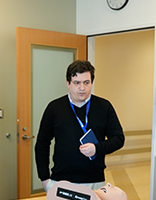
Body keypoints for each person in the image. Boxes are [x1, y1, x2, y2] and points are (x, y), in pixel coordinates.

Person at [35, 60, 125, 192]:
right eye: (77, 83)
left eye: (86, 82)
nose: (82, 88)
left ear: (91, 83)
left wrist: (97, 148)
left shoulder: (104, 107)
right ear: (68, 83)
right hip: (61, 181)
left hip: (94, 181)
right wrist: (44, 179)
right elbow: (42, 144)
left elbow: (118, 139)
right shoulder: (54, 108)